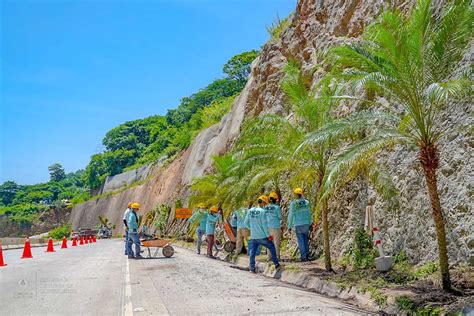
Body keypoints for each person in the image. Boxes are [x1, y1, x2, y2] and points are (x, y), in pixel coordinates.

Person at [244, 196, 280, 273]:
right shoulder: (263, 211)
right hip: (262, 236)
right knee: (272, 246)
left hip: (254, 236)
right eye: (265, 203)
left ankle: (252, 267)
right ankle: (276, 263)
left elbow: (245, 223)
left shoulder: (250, 210)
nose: (265, 205)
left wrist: (252, 229)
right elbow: (264, 225)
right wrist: (268, 236)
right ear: (263, 202)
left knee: (252, 252)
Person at [288, 188, 313, 261]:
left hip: (298, 224)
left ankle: (303, 256)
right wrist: (310, 223)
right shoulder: (306, 202)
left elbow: (291, 215)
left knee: (301, 240)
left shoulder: (293, 203)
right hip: (306, 224)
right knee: (305, 239)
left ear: (296, 194)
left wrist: (289, 226)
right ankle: (307, 254)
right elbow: (309, 213)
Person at [266, 192, 282, 261]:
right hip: (276, 227)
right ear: (275, 200)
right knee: (276, 243)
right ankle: (277, 257)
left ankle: (269, 257)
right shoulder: (277, 207)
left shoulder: (265, 207)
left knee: (269, 243)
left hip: (268, 228)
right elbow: (280, 217)